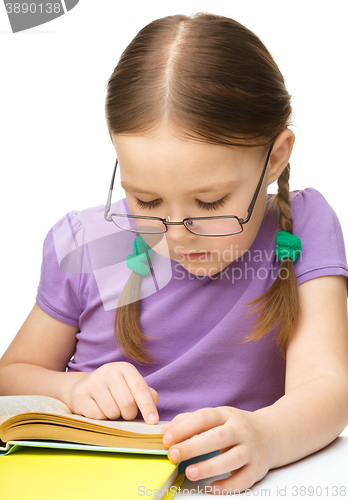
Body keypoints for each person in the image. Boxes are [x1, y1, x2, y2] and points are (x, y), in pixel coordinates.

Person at [1, 12, 348, 494]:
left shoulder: (306, 227)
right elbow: (11, 375)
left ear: (275, 157)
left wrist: (268, 436)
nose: (178, 235)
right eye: (145, 201)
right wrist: (73, 389)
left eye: (209, 204)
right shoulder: (87, 241)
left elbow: (328, 387)